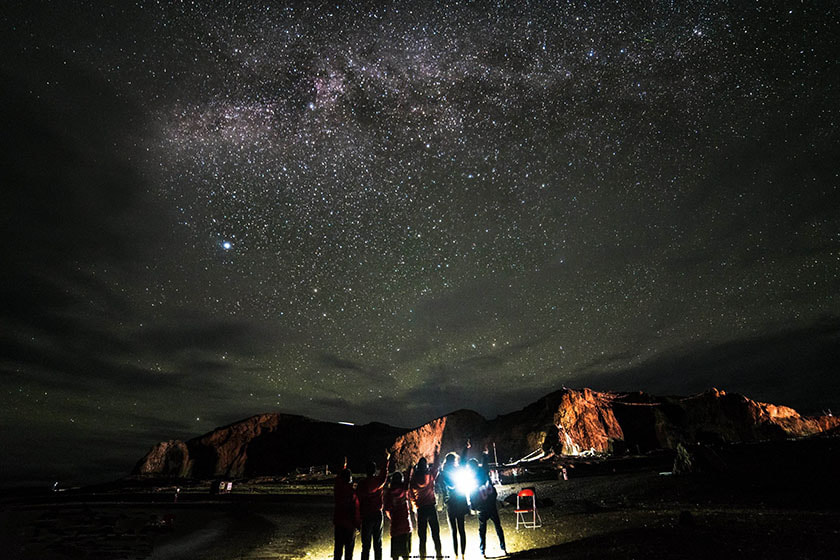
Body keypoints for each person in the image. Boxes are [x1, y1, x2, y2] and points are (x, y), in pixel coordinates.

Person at [468, 456, 506, 557]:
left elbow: (472, 492)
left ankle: (483, 551)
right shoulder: (482, 473)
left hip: (484, 505)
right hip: (488, 504)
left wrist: (473, 505)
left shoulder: (473, 476)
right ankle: (501, 548)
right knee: (495, 527)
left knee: (484, 529)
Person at [357, 450, 391, 560]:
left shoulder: (362, 484)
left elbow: (358, 499)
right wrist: (386, 460)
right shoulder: (378, 482)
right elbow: (384, 473)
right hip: (377, 514)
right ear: (374, 470)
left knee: (365, 545)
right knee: (378, 543)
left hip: (366, 516)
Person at [410, 457, 443, 559]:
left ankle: (423, 556)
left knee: (422, 537)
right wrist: (436, 454)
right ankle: (439, 554)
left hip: (421, 509)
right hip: (431, 507)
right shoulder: (430, 476)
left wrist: (416, 506)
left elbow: (411, 495)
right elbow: (437, 467)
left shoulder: (413, 480)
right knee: (435, 534)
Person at [440, 452, 469, 558]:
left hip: (451, 504)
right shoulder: (455, 471)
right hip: (459, 502)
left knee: (454, 531)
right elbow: (463, 462)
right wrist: (465, 449)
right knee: (461, 529)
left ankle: (457, 554)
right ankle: (462, 554)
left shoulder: (443, 472)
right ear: (454, 461)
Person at [333, 457, 360, 560]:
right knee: (349, 552)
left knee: (338, 550)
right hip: (350, 526)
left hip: (339, 523)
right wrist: (358, 525)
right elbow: (356, 510)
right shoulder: (353, 493)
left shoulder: (338, 490)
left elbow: (338, 479)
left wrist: (343, 466)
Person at [384, 470, 413, 560]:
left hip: (395, 525)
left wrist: (392, 517)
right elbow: (408, 480)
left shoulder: (388, 493)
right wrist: (410, 468)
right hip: (405, 523)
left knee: (395, 554)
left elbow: (387, 508)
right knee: (406, 553)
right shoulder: (404, 489)